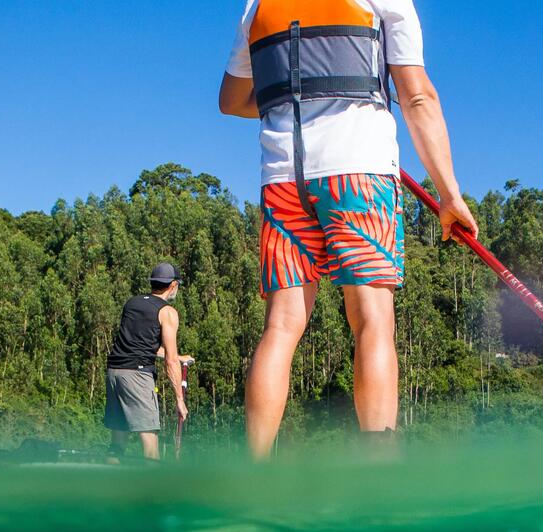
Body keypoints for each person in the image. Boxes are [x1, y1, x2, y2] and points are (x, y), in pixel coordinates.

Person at [219, 0, 479, 458]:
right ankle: (378, 471)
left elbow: (232, 100)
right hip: (360, 172)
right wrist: (448, 194)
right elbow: (417, 97)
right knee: (372, 321)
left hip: (283, 178)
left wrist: (301, 92)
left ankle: (253, 473)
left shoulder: (256, 6)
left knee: (281, 327)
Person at [105, 262, 188, 461]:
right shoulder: (168, 312)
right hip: (138, 376)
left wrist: (178, 356)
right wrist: (179, 400)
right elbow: (170, 360)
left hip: (114, 372)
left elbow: (140, 345)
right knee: (150, 444)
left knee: (117, 443)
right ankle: (154, 490)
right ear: (173, 285)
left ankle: (108, 485)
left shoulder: (132, 303)